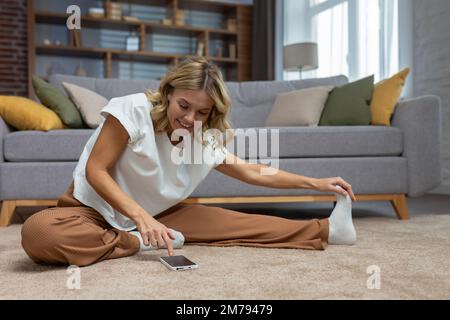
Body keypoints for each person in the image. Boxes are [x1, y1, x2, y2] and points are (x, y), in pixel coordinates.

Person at [21, 56, 357, 267]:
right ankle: (136, 243)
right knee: (39, 233)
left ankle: (329, 229)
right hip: (94, 212)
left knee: (242, 224)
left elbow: (253, 172)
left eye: (202, 112)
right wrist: (141, 224)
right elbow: (96, 170)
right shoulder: (133, 109)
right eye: (184, 105)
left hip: (162, 216)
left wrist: (316, 183)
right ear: (168, 92)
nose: (190, 117)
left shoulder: (203, 137)